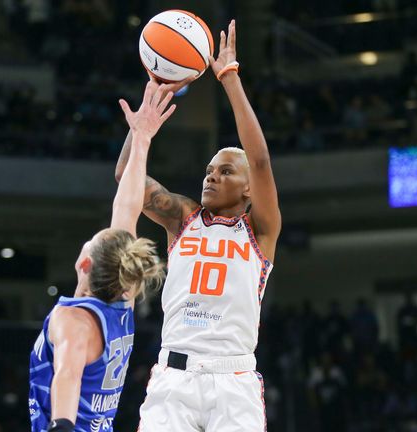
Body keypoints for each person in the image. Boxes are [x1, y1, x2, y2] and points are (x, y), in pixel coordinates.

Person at [116, 20, 282, 431]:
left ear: (248, 190)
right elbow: (126, 176)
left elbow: (259, 161)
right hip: (174, 377)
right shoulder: (183, 217)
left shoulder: (260, 231)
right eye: (209, 170)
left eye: (225, 172)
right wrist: (143, 128)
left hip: (234, 379)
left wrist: (229, 81)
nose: (211, 176)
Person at [28, 81, 174, 432]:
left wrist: (61, 425)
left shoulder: (74, 321)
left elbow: (67, 374)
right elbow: (126, 208)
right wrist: (141, 139)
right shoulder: (121, 304)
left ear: (84, 263)